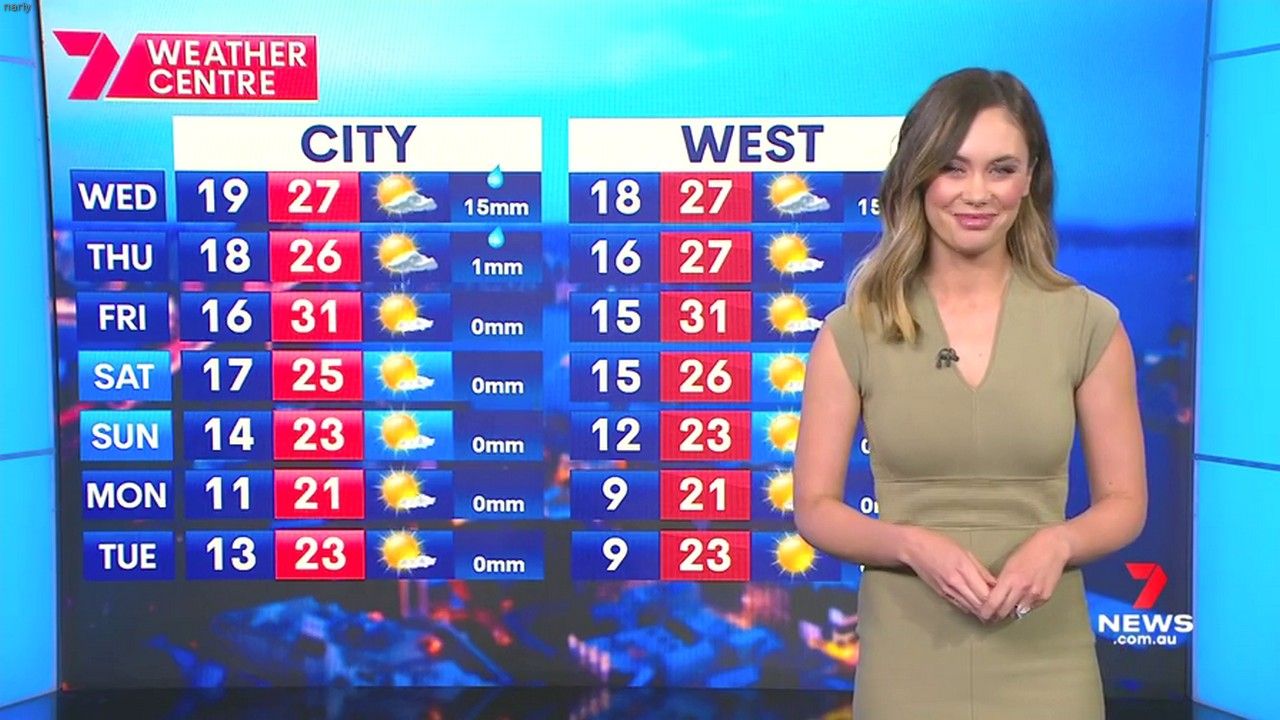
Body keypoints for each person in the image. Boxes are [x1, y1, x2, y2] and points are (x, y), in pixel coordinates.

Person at [792, 68, 1148, 719]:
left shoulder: (1089, 323)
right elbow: (815, 509)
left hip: (1047, 659)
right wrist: (910, 544)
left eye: (1001, 169)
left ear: (1030, 178)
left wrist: (1058, 544)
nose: (977, 193)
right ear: (918, 176)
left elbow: (1125, 504)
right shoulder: (854, 331)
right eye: (953, 168)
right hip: (907, 661)